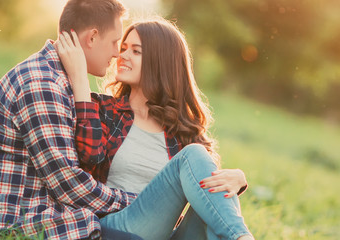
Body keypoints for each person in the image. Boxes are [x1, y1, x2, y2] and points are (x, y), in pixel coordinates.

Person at [56, 18, 254, 240]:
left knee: (218, 191)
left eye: (136, 51)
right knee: (194, 154)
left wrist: (238, 179)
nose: (122, 56)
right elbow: (87, 157)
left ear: (160, 62)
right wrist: (80, 80)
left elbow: (206, 187)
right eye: (123, 48)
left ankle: (239, 236)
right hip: (115, 228)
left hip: (162, 235)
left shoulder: (181, 131)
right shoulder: (103, 111)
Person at [0, 0, 143, 239]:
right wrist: (140, 201)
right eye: (114, 41)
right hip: (21, 224)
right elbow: (69, 186)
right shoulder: (41, 84)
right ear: (92, 37)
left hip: (52, 217)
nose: (116, 52)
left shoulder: (59, 79)